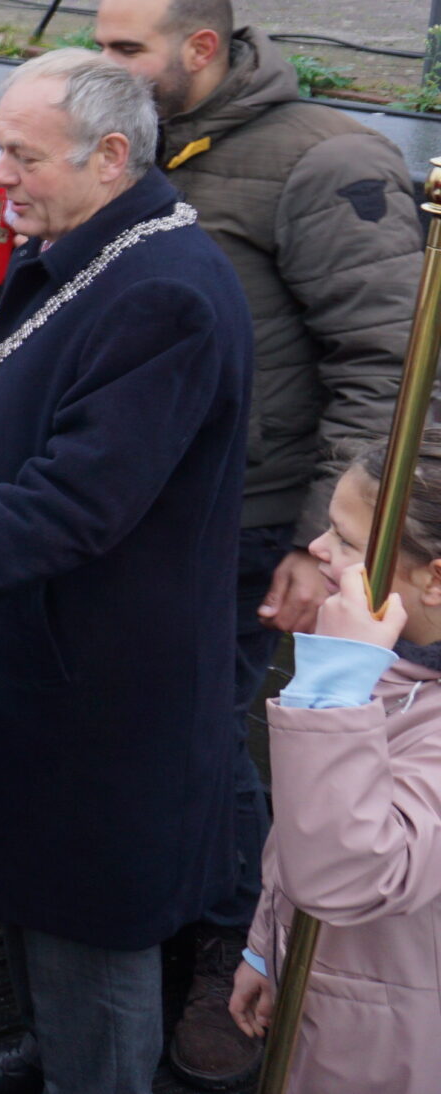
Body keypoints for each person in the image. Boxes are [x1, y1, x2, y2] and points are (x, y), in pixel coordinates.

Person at [0, 51, 253, 1094]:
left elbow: (76, 501)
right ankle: (47, 1047)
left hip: (100, 669)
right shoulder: (90, 251)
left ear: (109, 155)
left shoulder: (164, 293)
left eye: (22, 155)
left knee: (85, 907)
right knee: (25, 872)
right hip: (36, 637)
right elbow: (18, 411)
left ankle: (90, 1070)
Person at [93, 0, 423, 1089]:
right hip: (146, 511)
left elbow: (388, 367)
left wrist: (318, 543)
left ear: (200, 48)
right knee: (142, 727)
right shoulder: (144, 145)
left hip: (253, 523)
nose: (104, 66)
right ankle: (99, 936)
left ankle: (228, 960)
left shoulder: (325, 161)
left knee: (220, 741)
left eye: (125, 49)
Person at [230, 430, 441, 1094]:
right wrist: (267, 947)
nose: (318, 548)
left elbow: (351, 874)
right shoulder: (388, 664)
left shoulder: (355, 677)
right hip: (333, 1000)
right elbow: (303, 828)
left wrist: (333, 689)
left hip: (397, 1048)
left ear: (434, 578)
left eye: (347, 543)